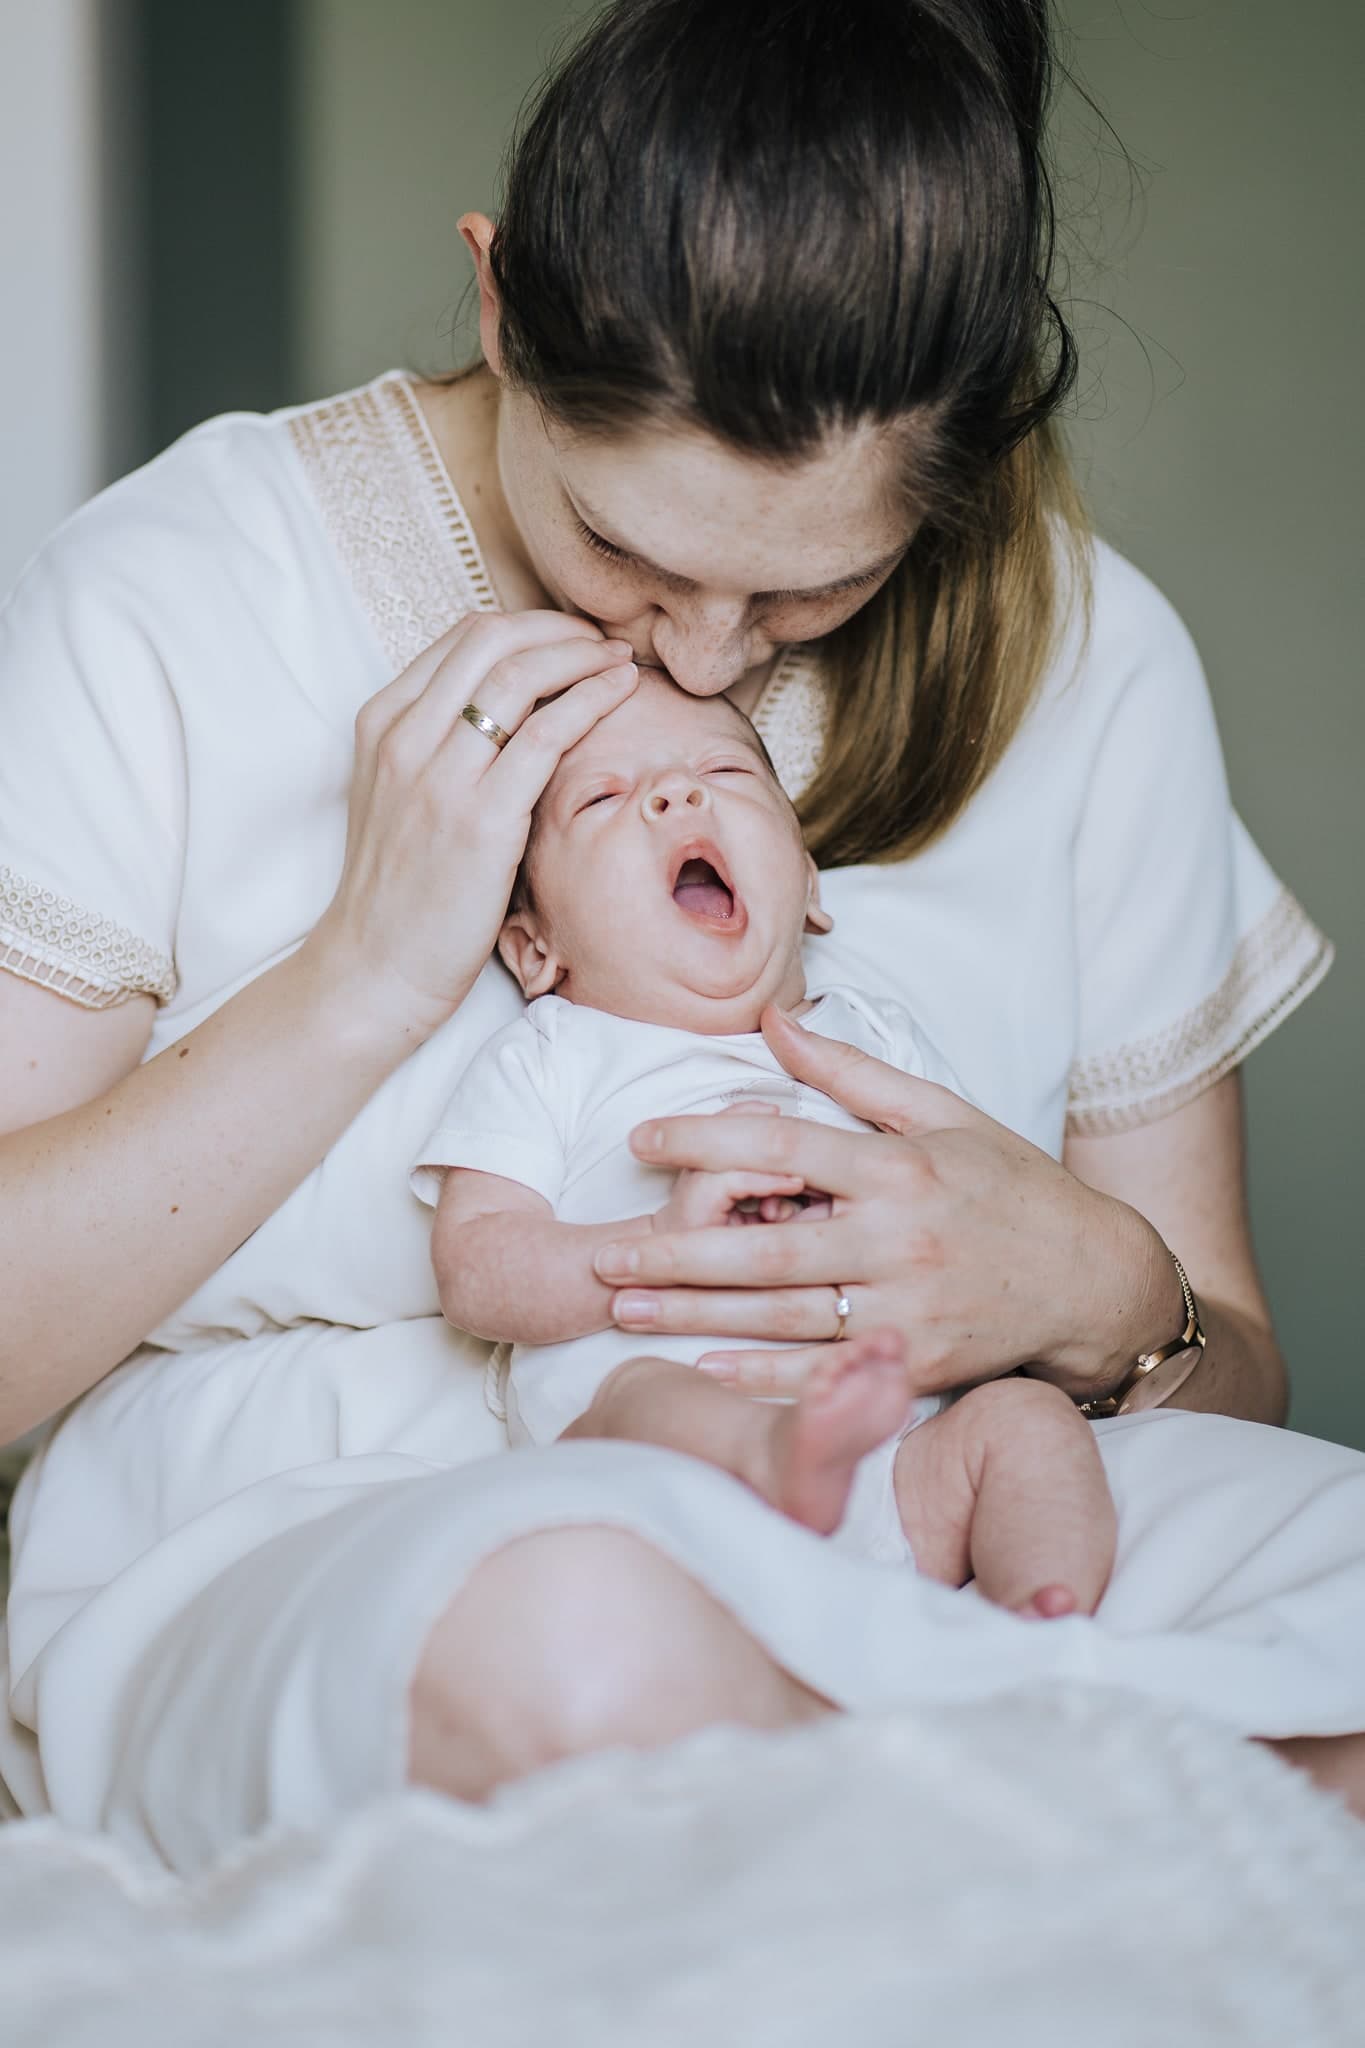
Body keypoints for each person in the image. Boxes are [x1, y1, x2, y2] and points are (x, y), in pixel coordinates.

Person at [1, 0, 1363, 1871]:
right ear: (500, 307)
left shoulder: (1087, 650)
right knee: (589, 1646)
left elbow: (1237, 1374)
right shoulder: (172, 594)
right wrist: (366, 976)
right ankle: (1096, 1812)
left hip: (918, 1494)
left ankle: (1009, 1789)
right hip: (330, 1519)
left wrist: (1097, 1289)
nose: (702, 656)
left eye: (817, 586)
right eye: (628, 550)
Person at [422, 671, 1117, 1619]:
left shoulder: (875, 1037)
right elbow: (477, 1270)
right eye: (604, 796)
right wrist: (656, 1243)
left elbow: (974, 1199)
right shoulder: (554, 1054)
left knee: (1026, 1424)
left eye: (721, 770)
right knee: (645, 1399)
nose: (676, 794)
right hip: (654, 1471)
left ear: (809, 885)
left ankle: (1047, 1624)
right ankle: (767, 1462)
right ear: (535, 949)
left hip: (898, 1470)